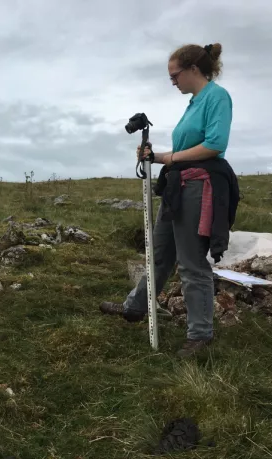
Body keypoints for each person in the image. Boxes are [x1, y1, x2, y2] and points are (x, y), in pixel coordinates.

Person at [100, 43, 239, 358]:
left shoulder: (217, 97)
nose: (173, 81)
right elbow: (185, 151)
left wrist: (170, 157)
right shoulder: (194, 103)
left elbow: (215, 144)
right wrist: (158, 156)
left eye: (175, 75)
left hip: (198, 187)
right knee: (159, 254)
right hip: (179, 186)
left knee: (191, 263)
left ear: (193, 70)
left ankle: (200, 335)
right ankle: (134, 307)